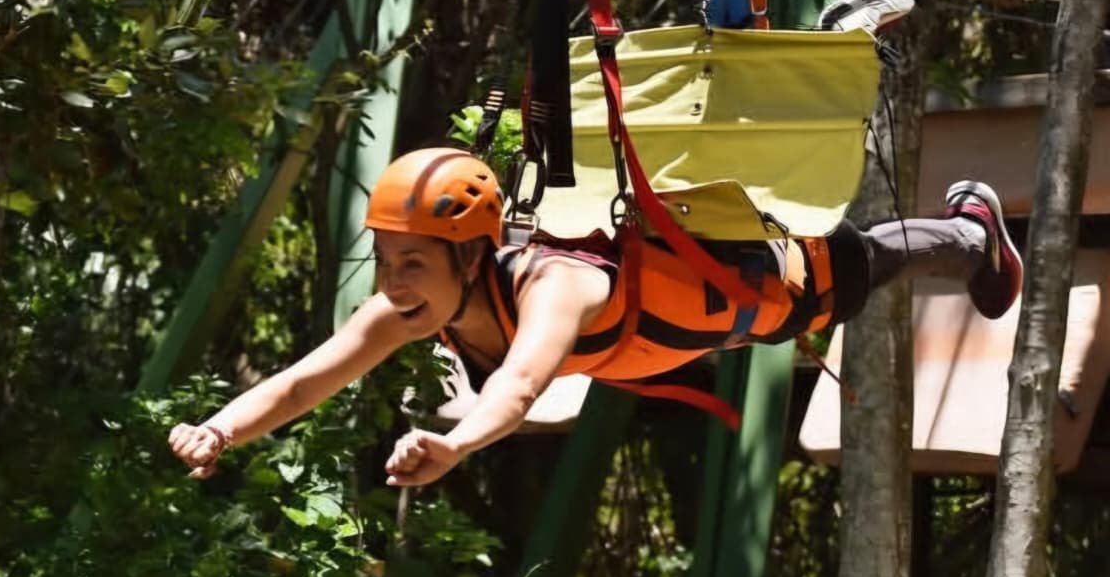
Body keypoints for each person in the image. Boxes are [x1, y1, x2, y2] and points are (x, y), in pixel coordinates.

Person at [168, 146, 1022, 489]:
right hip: (707, 321)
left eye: (413, 261)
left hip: (765, 278)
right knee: (858, 271)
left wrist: (455, 446)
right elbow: (309, 374)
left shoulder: (554, 283)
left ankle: (973, 229)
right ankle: (965, 230)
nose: (393, 282)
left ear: (472, 252)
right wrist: (220, 429)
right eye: (387, 261)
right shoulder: (414, 304)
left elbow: (520, 384)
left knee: (855, 268)